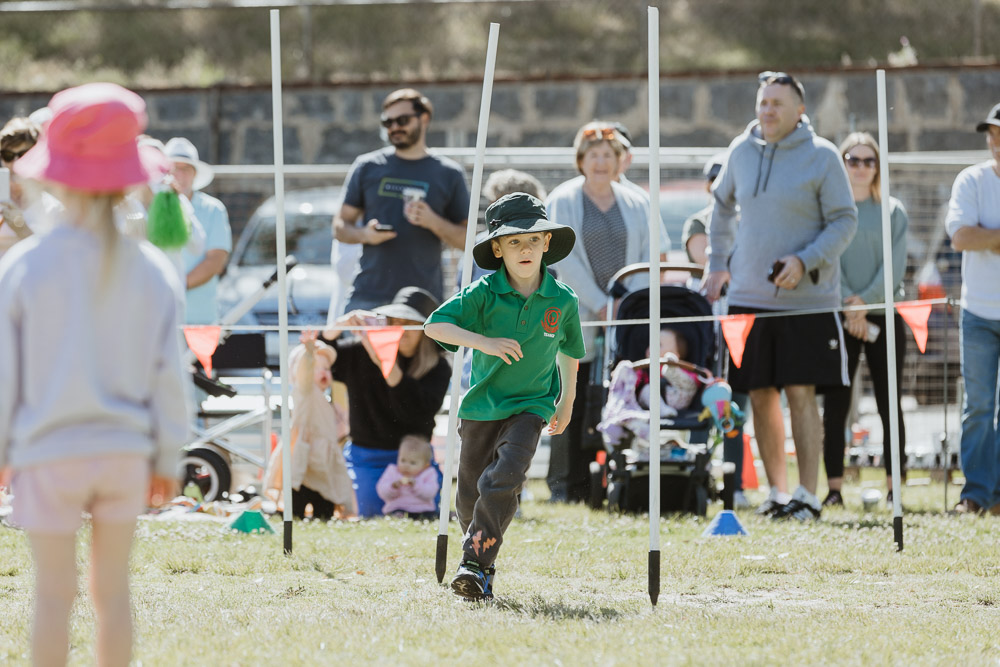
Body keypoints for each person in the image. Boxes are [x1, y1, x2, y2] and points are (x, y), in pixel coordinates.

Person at [0, 82, 187, 667]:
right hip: (125, 454)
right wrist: (169, 457)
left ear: (50, 173)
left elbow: (7, 372)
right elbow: (169, 378)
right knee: (113, 594)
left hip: (44, 453)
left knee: (52, 597)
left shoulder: (24, 266)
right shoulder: (154, 270)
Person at [702, 72, 857, 521]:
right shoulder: (740, 151)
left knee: (800, 393)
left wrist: (804, 260)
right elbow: (722, 207)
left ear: (799, 110)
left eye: (777, 103)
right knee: (762, 394)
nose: (767, 110)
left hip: (807, 298)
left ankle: (808, 497)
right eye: (763, 101)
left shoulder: (823, 156)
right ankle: (777, 492)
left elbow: (845, 221)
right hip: (749, 299)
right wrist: (717, 264)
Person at [425, 192, 585, 601]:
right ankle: (483, 568)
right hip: (481, 406)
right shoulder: (483, 293)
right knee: (469, 496)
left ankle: (473, 563)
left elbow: (569, 351)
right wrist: (485, 342)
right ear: (497, 248)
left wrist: (565, 402)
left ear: (547, 243)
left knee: (505, 478)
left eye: (534, 239)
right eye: (514, 241)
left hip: (532, 405)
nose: (525, 248)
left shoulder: (563, 299)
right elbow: (434, 327)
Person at [544, 121, 668, 503]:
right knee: (571, 392)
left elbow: (654, 253)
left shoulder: (638, 201)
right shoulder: (563, 199)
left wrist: (627, 301)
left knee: (624, 389)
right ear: (581, 160)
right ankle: (566, 484)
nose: (601, 162)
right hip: (577, 310)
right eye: (593, 155)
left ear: (620, 162)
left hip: (626, 312)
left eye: (608, 156)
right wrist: (598, 301)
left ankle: (623, 478)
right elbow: (562, 257)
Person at [821, 132, 909, 507]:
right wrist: (847, 304)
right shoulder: (829, 211)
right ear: (842, 164)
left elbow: (897, 266)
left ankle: (895, 489)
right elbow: (826, 259)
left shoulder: (893, 211)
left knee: (890, 403)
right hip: (840, 316)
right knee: (836, 405)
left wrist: (865, 302)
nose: (859, 167)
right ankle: (835, 489)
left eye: (867, 161)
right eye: (852, 160)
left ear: (878, 167)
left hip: (884, 315)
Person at [333, 88, 470, 311]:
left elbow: (467, 241)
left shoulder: (448, 173)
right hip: (369, 296)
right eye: (388, 122)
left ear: (424, 119)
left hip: (423, 301)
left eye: (402, 120)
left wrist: (432, 221)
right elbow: (340, 227)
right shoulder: (367, 166)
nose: (395, 127)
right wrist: (364, 234)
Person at [321, 286, 450, 517]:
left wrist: (387, 368)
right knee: (370, 515)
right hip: (366, 458)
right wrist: (338, 326)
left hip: (416, 462)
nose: (402, 330)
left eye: (410, 323)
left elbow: (416, 413)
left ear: (426, 330)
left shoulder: (438, 367)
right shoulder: (360, 352)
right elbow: (320, 357)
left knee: (425, 516)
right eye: (395, 321)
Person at [945, 102, 1000, 516]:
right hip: (978, 313)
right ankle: (976, 495)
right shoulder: (971, 180)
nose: (996, 141)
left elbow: (976, 234)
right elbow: (961, 237)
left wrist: (990, 237)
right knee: (978, 407)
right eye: (992, 133)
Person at [263, 330, 354, 520]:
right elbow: (303, 376)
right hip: (304, 461)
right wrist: (308, 354)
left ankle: (324, 514)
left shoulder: (327, 399)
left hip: (322, 463)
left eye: (327, 368)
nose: (323, 372)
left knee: (325, 503)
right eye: (317, 367)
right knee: (296, 502)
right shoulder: (305, 393)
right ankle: (294, 515)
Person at [165, 136, 232, 324]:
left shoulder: (213, 209)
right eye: (174, 168)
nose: (179, 174)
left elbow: (215, 261)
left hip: (199, 319)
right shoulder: (151, 206)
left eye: (185, 168)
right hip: (160, 317)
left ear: (194, 173)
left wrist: (175, 287)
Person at [0, 116, 63, 257]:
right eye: (8, 155)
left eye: (23, 154)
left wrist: (24, 232)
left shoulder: (54, 209)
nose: (15, 162)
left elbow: (59, 260)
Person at [375, 434, 440, 519]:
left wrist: (416, 485)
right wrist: (393, 487)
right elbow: (381, 491)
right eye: (403, 460)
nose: (406, 466)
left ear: (425, 465)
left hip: (423, 509)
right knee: (396, 515)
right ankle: (398, 517)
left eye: (412, 463)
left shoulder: (428, 473)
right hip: (398, 508)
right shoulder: (392, 471)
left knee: (433, 516)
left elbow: (430, 493)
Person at [681, 154, 725, 265]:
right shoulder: (698, 223)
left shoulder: (747, 220)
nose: (724, 185)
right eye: (716, 179)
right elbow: (706, 261)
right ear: (707, 185)